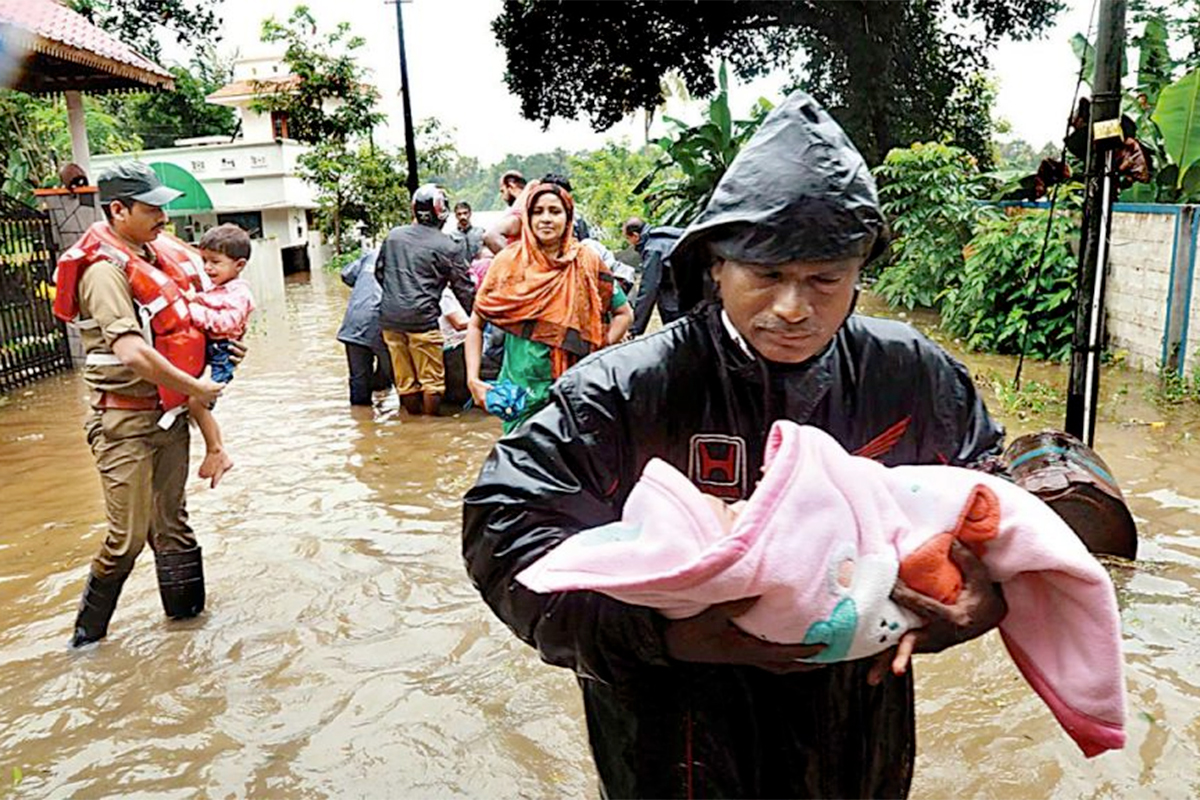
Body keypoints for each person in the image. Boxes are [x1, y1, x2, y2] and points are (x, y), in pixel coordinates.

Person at [463, 91, 1009, 798]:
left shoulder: (906, 371)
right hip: (672, 732)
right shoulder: (629, 387)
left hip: (855, 719)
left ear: (857, 276)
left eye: (824, 280)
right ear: (716, 265)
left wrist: (984, 597)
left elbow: (999, 492)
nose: (793, 308)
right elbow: (501, 526)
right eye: (768, 276)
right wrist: (658, 635)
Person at [52, 161, 225, 648]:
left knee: (173, 527)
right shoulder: (104, 272)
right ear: (118, 210)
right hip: (123, 420)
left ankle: (188, 637)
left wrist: (219, 351)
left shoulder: (153, 256)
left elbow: (183, 327)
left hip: (168, 416)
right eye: (152, 209)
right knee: (125, 539)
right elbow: (130, 351)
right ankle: (86, 645)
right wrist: (196, 388)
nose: (163, 219)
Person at [464, 180, 633, 433]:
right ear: (528, 218)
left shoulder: (587, 261)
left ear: (568, 218)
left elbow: (624, 314)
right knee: (520, 463)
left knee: (574, 465)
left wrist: (598, 348)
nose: (545, 219)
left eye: (555, 211)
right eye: (537, 211)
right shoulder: (508, 262)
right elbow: (476, 325)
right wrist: (473, 380)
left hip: (576, 388)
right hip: (521, 390)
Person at [376, 183, 475, 416]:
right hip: (423, 320)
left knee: (405, 381)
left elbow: (380, 272)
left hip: (390, 320)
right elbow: (464, 289)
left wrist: (396, 296)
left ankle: (412, 425)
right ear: (442, 212)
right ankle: (430, 427)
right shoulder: (447, 246)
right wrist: (480, 318)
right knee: (432, 382)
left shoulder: (393, 237)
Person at [183, 223, 256, 489]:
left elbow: (226, 324)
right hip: (213, 352)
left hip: (222, 354)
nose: (208, 268)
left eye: (215, 262)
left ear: (239, 265)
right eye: (205, 261)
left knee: (197, 401)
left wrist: (192, 312)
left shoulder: (239, 293)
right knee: (194, 401)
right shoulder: (219, 289)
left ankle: (216, 450)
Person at [336, 248, 394, 406]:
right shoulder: (404, 257)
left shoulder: (371, 255)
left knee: (358, 381)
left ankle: (362, 423)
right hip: (385, 323)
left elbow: (346, 275)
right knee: (401, 379)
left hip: (354, 323)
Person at [624, 216, 685, 336]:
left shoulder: (653, 249)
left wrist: (634, 329)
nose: (628, 243)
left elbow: (648, 288)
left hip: (677, 303)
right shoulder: (663, 235)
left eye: (627, 238)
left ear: (635, 236)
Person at [481, 169, 527, 253]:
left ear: (511, 186)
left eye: (502, 191)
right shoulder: (534, 205)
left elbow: (490, 235)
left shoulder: (519, 212)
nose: (503, 197)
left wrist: (509, 262)